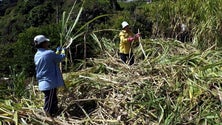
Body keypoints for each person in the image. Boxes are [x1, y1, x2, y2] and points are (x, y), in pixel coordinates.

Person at [34, 35, 66, 117]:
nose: (48, 43)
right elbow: (60, 58)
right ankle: (47, 116)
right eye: (46, 42)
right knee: (50, 100)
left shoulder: (37, 55)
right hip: (49, 82)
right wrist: (63, 51)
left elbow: (51, 58)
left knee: (53, 99)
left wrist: (56, 52)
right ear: (43, 43)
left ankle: (54, 113)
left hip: (42, 82)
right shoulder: (49, 53)